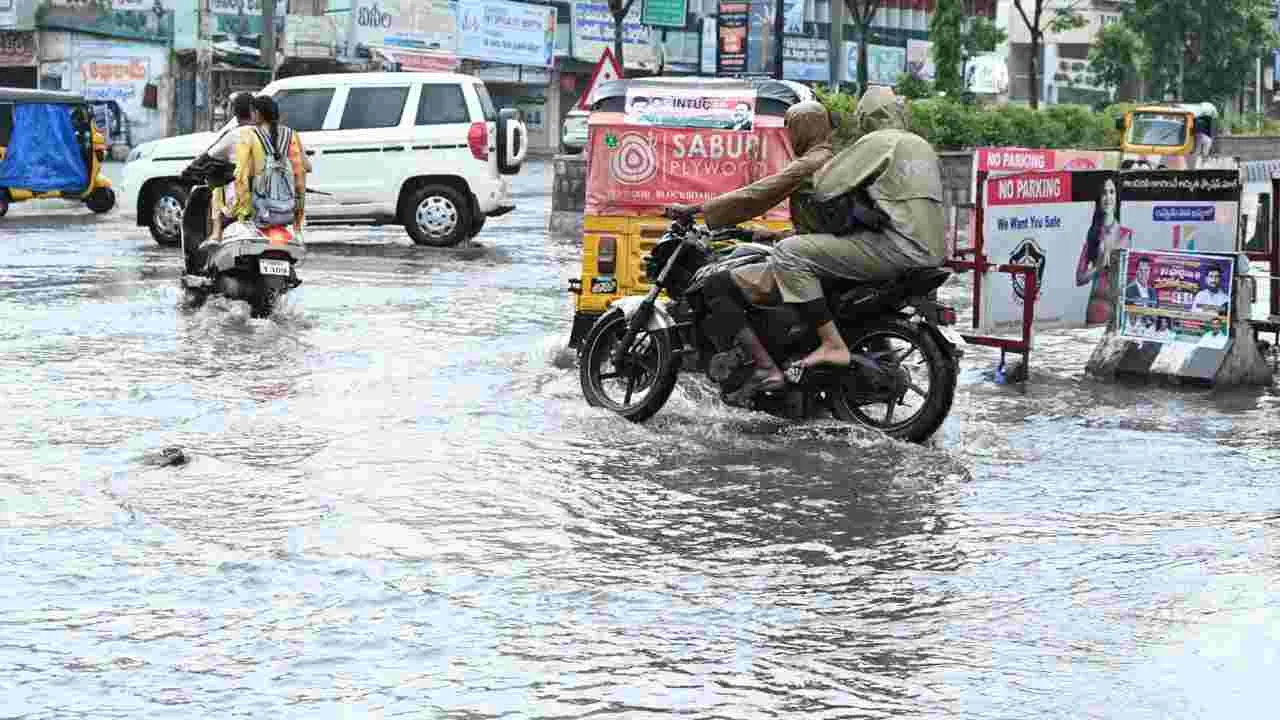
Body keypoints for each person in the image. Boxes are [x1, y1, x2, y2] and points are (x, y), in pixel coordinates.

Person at [666, 86, 946, 390]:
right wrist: (764, 232)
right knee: (784, 250)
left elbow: (762, 194)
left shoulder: (840, 154)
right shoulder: (919, 146)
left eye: (791, 129)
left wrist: (697, 210)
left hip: (892, 247)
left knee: (731, 278)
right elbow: (838, 223)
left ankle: (772, 365)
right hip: (925, 248)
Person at [232, 94, 308, 239]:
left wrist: (242, 214)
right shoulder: (291, 134)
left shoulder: (249, 134)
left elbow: (241, 174)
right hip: (287, 212)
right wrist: (298, 220)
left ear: (257, 114)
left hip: (260, 211)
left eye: (252, 112)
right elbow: (300, 176)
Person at [1075, 176, 1133, 325]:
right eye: (1104, 193)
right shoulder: (1093, 234)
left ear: (1117, 197)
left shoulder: (1126, 234)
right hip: (1096, 307)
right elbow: (1079, 278)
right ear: (1099, 199)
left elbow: (1128, 277)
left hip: (1117, 309)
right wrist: (1098, 268)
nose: (1108, 197)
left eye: (1112, 192)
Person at [206, 92, 254, 242]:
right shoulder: (268, 134)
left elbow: (210, 155)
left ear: (234, 113)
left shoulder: (233, 135)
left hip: (240, 202)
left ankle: (216, 233)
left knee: (217, 188)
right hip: (270, 200)